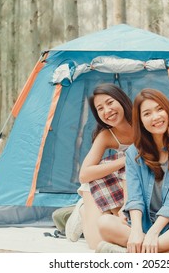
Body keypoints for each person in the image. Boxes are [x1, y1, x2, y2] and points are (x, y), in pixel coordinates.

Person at [97, 88, 169, 253]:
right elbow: (135, 195)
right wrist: (136, 231)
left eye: (160, 109)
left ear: (168, 111)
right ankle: (163, 250)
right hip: (143, 224)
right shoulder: (134, 152)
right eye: (147, 113)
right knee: (104, 223)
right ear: (140, 121)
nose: (156, 117)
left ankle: (137, 251)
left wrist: (154, 233)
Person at [65, 83, 134, 250]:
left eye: (110, 103)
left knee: (115, 231)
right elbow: (84, 175)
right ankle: (83, 209)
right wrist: (125, 160)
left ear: (122, 100)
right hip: (101, 182)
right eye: (100, 108)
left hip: (129, 183)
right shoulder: (106, 136)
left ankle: (87, 212)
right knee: (96, 245)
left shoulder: (144, 122)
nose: (107, 111)